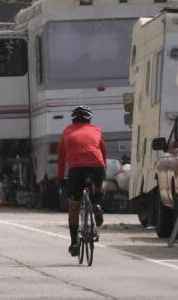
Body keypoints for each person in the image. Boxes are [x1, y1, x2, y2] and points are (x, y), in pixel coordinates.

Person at [55, 105, 106, 256]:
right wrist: (103, 170)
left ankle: (74, 243)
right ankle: (97, 204)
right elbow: (103, 150)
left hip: (76, 170)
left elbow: (61, 158)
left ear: (73, 120)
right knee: (101, 184)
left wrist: (59, 177)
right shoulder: (96, 129)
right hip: (96, 166)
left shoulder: (66, 131)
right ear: (89, 120)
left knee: (74, 205)